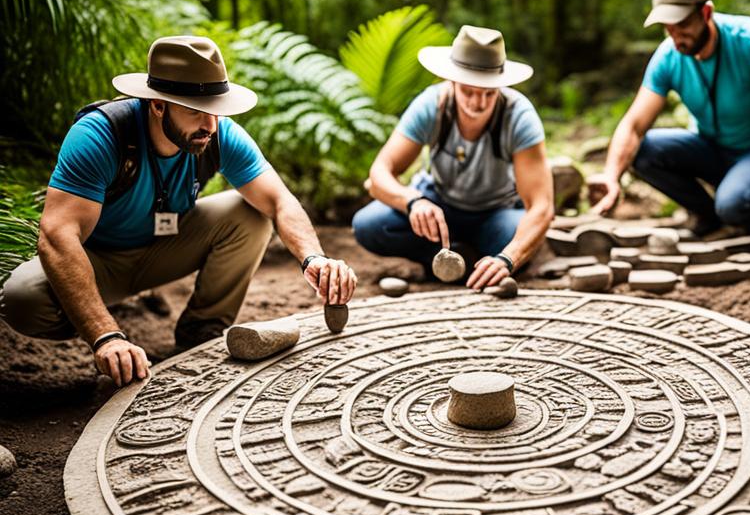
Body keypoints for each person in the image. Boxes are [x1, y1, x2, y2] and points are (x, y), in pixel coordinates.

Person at [0, 36, 357, 387]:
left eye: (215, 110)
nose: (210, 125)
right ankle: (99, 316)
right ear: (157, 105)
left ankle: (202, 329)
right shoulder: (100, 135)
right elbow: (56, 235)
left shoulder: (218, 134)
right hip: (98, 261)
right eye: (195, 111)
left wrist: (314, 260)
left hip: (167, 247)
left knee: (250, 212)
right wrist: (105, 335)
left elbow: (279, 200)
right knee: (22, 298)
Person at [590, 0, 750, 236]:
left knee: (733, 204)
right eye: (668, 28)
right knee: (643, 151)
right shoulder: (668, 56)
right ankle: (711, 216)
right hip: (710, 148)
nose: (676, 37)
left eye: (682, 25)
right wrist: (611, 176)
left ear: (706, 13)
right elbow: (633, 126)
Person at [354, 25, 553, 289]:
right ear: (453, 81)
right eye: (468, 91)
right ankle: (446, 258)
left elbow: (542, 206)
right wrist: (413, 202)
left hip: (496, 212)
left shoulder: (520, 116)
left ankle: (478, 260)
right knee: (369, 225)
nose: (478, 103)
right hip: (438, 206)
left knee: (517, 238)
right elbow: (379, 173)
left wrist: (508, 258)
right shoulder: (430, 105)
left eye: (488, 93)